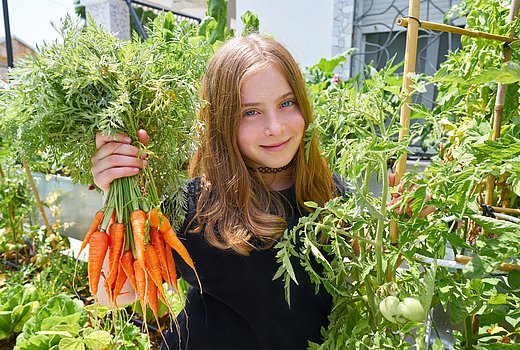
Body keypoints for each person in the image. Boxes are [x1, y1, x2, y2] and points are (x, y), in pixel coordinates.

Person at [91, 34, 432, 349]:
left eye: (286, 103)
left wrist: (400, 229)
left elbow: (361, 280)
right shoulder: (194, 205)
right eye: (250, 112)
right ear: (222, 122)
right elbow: (116, 294)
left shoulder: (333, 196)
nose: (275, 127)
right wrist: (115, 192)